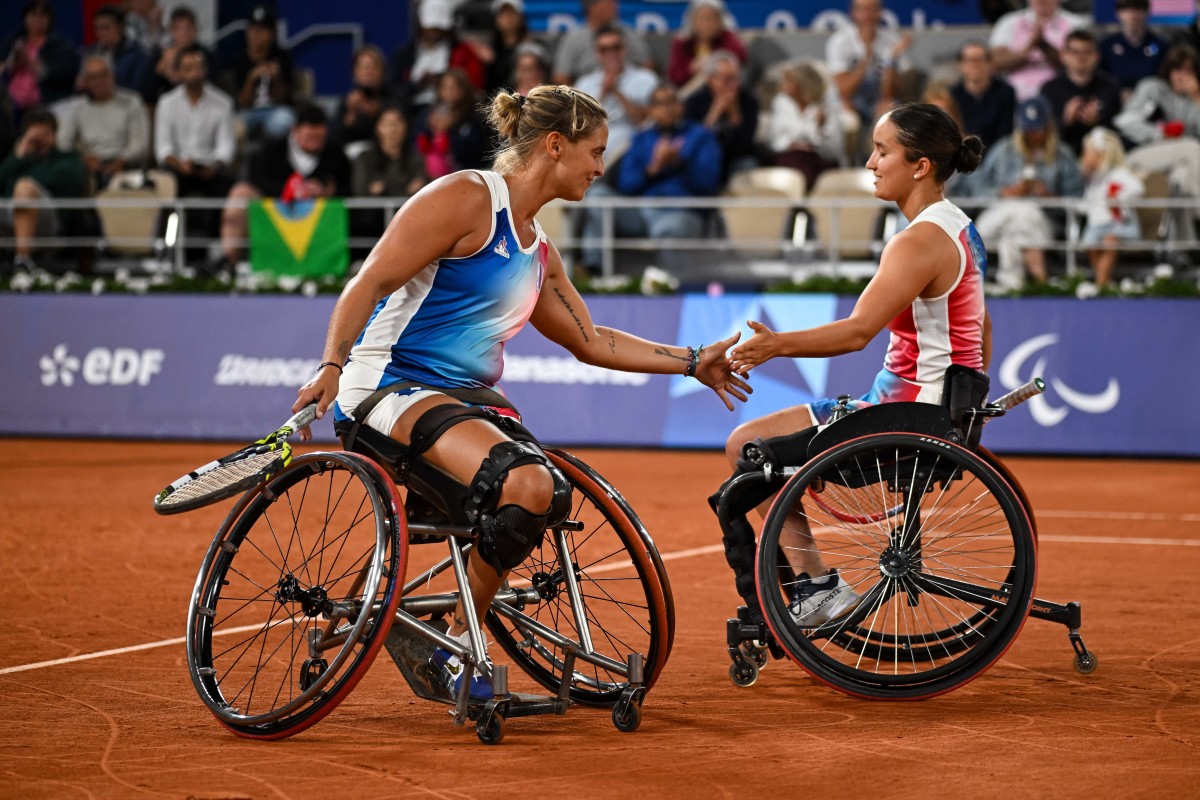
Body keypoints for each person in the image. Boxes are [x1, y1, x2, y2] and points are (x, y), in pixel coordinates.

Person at [290, 84, 749, 701]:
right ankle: (455, 644)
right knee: (526, 483)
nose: (601, 167)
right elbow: (368, 281)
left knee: (545, 491)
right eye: (595, 151)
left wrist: (692, 362)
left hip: (463, 403)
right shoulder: (465, 198)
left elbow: (592, 341)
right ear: (555, 146)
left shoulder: (540, 254)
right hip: (388, 387)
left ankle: (449, 629)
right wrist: (330, 364)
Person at [718, 103, 987, 627]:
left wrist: (777, 345)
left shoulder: (918, 242)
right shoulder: (960, 228)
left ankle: (817, 586)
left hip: (904, 411)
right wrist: (968, 403)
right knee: (755, 445)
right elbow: (984, 328)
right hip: (935, 406)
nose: (870, 163)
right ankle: (813, 586)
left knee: (746, 448)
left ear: (920, 166)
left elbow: (858, 331)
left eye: (882, 151)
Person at [581, 84, 723, 272]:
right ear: (651, 110)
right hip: (641, 210)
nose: (667, 108)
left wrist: (678, 162)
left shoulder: (701, 136)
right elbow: (625, 184)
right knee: (598, 196)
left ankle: (671, 285)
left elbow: (707, 183)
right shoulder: (641, 139)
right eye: (660, 104)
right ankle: (594, 273)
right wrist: (652, 169)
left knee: (667, 229)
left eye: (672, 102)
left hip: (681, 210)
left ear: (681, 106)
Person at [216, 103, 351, 268]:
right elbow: (257, 181)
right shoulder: (272, 149)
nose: (315, 144)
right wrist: (291, 190)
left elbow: (349, 191)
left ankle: (348, 263)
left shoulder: (336, 154)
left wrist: (329, 191)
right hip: (274, 214)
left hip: (319, 221)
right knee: (240, 192)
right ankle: (228, 261)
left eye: (319, 138)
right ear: (295, 131)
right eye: (310, 138)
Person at [969, 96, 1084, 289]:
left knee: (1021, 222)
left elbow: (1076, 201)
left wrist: (1046, 196)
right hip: (996, 218)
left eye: (1036, 128)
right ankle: (1040, 281)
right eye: (1027, 128)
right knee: (1023, 211)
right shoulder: (1002, 150)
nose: (1032, 134)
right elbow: (978, 189)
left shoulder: (1062, 155)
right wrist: (1006, 192)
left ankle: (1011, 282)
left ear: (1047, 126)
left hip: (1041, 222)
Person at [154, 44, 235, 252]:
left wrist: (212, 166)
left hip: (210, 168)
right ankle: (168, 247)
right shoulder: (167, 103)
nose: (195, 73)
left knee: (226, 188)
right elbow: (163, 149)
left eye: (199, 67)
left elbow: (226, 148)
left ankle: (217, 249)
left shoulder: (223, 102)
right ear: (179, 73)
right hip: (178, 168)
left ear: (205, 70)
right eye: (188, 68)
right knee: (168, 188)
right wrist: (180, 165)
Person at [0, 106, 87, 273]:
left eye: (45, 134)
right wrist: (18, 157)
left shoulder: (68, 159)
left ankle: (23, 261)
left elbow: (69, 180)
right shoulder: (17, 161)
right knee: (21, 191)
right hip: (10, 216)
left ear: (55, 135)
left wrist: (25, 175)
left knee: (24, 186)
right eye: (35, 135)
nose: (40, 140)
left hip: (50, 220)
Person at [826, 0, 914, 160]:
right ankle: (846, 165)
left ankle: (880, 164)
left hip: (876, 101)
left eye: (872, 9)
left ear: (880, 12)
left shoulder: (892, 42)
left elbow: (889, 93)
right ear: (853, 13)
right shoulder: (839, 42)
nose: (867, 15)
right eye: (862, 10)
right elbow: (844, 91)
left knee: (889, 110)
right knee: (846, 117)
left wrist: (890, 60)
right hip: (848, 101)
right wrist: (866, 60)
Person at [55, 54, 150, 189]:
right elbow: (63, 143)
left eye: (103, 75)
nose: (99, 81)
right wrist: (82, 158)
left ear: (112, 76)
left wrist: (122, 160)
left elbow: (140, 145)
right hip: (89, 166)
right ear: (85, 81)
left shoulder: (132, 102)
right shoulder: (77, 107)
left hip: (125, 164)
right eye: (93, 78)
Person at [573, 25, 659, 162]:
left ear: (624, 49)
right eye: (604, 49)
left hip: (632, 147)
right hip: (594, 149)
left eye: (616, 47)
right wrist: (602, 93)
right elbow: (581, 127)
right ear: (597, 53)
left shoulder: (646, 79)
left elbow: (645, 121)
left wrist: (617, 92)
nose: (611, 54)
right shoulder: (584, 83)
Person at [390, 0, 484, 121]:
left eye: (438, 28)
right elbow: (394, 88)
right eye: (431, 27)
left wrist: (443, 80)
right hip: (410, 110)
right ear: (421, 24)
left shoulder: (462, 51)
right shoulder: (404, 54)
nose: (434, 32)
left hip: (453, 111)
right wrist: (417, 85)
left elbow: (474, 85)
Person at [1077, 127, 1143, 291]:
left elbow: (1138, 188)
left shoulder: (1119, 174)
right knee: (1092, 245)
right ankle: (1105, 281)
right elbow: (1087, 202)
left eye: (1087, 152)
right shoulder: (1093, 179)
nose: (1083, 156)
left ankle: (1100, 284)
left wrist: (1118, 198)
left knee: (1109, 241)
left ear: (1101, 154)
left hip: (1119, 224)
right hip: (1096, 225)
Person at [761, 59, 844, 189]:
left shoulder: (827, 107)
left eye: (788, 80)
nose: (782, 84)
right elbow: (773, 140)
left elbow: (833, 150)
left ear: (803, 83)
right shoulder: (781, 103)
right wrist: (791, 144)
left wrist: (821, 128)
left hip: (817, 158)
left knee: (806, 167)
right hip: (788, 155)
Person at [987, 0, 1088, 102]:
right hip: (1014, 98)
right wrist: (1028, 49)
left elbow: (1079, 62)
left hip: (1060, 98)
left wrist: (1043, 45)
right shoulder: (1008, 22)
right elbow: (995, 63)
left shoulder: (1076, 24)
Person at [1041, 29, 1122, 155]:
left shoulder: (1110, 87)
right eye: (1075, 52)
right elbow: (1042, 134)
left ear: (1097, 56)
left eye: (1087, 52)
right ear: (1063, 55)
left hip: (1102, 154)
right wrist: (1066, 121)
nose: (1081, 58)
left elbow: (1118, 132)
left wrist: (1097, 122)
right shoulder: (1050, 89)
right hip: (1060, 155)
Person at [222, 4, 295, 141]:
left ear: (272, 34)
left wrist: (276, 78)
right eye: (253, 30)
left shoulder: (282, 57)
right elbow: (242, 103)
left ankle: (272, 153)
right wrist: (251, 79)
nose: (256, 35)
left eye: (262, 30)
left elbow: (284, 99)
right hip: (248, 112)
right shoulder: (239, 60)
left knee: (284, 121)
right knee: (231, 125)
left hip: (276, 110)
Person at [683, 49, 759, 178]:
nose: (732, 85)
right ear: (710, 79)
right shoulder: (694, 102)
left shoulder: (748, 100)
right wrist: (714, 114)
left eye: (735, 78)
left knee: (748, 166)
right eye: (726, 79)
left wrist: (734, 112)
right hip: (706, 156)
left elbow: (746, 143)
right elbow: (692, 142)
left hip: (737, 157)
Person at [0, 1, 80, 119]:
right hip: (12, 105)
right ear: (25, 18)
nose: (37, 20)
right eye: (33, 15)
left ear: (50, 19)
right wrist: (12, 63)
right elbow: (3, 67)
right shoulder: (13, 40)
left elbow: (60, 75)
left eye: (42, 15)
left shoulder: (60, 46)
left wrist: (29, 62)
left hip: (47, 105)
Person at [551, 0, 654, 86]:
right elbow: (560, 77)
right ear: (592, 8)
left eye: (616, 47)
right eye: (609, 3)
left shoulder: (627, 33)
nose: (615, 6)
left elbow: (647, 65)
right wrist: (578, 98)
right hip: (588, 91)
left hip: (630, 88)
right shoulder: (573, 39)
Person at [413, 67, 489, 178]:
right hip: (430, 174)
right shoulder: (429, 113)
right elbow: (418, 143)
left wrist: (451, 129)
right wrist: (430, 128)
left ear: (463, 90)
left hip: (464, 174)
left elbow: (474, 153)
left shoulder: (473, 116)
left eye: (453, 88)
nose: (448, 92)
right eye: (444, 87)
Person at [667, 0, 747, 94]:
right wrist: (691, 69)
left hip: (723, 91)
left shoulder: (727, 38)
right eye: (701, 19)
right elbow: (675, 77)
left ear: (720, 20)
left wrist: (712, 60)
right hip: (689, 94)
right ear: (692, 20)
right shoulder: (682, 43)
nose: (706, 24)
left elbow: (740, 57)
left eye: (711, 19)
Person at [950, 40, 1017, 151]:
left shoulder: (1005, 92)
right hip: (962, 153)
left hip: (997, 152)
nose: (975, 65)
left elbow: (1005, 133)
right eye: (970, 60)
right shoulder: (952, 95)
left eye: (980, 60)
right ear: (961, 65)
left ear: (989, 63)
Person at [85, 4, 155, 104]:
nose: (100, 33)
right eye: (97, 28)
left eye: (105, 28)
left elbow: (136, 92)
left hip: (125, 105)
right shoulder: (90, 54)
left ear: (120, 27)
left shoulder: (138, 56)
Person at [1099, 0, 1168, 99]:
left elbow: (1165, 81)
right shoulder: (1106, 46)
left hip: (1152, 101)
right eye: (1126, 8)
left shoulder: (1161, 46)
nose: (1132, 14)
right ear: (1118, 13)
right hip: (1115, 101)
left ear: (1147, 12)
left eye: (1138, 8)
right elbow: (1099, 80)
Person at [333, 45, 393, 146]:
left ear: (382, 71)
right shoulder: (347, 102)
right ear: (355, 72)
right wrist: (351, 114)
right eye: (364, 67)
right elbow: (335, 140)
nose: (369, 72)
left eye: (374, 67)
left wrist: (378, 112)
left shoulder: (393, 98)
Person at [479, 0, 534, 93]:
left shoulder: (533, 48)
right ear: (496, 20)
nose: (508, 18)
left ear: (521, 17)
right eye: (503, 14)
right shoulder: (488, 50)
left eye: (512, 13)